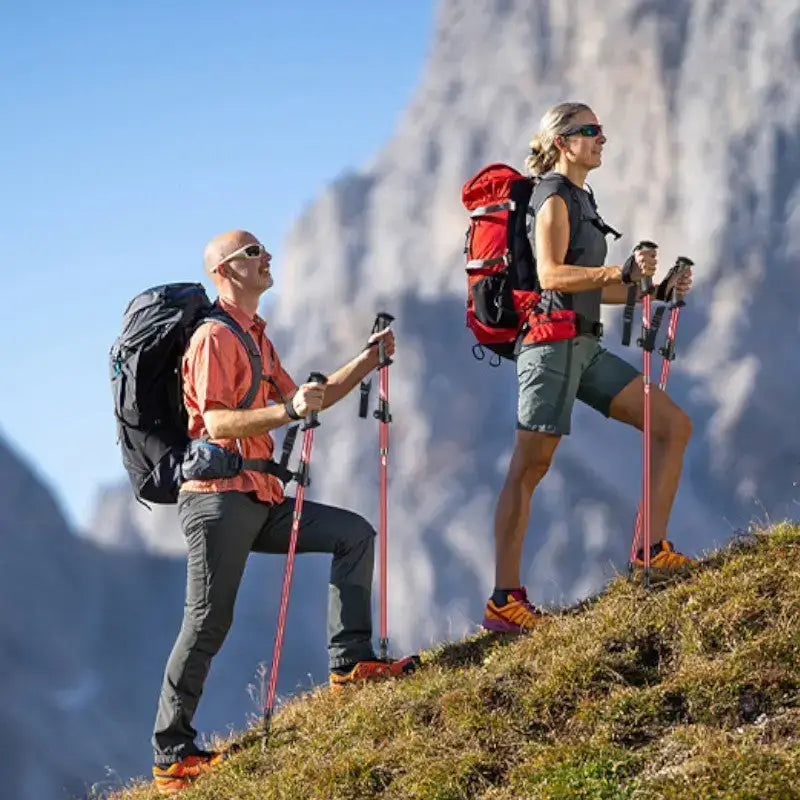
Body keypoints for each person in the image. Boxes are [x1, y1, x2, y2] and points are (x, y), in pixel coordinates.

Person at [151, 230, 417, 795]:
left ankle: (350, 664)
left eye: (265, 250)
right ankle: (172, 754)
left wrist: (368, 361)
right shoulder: (213, 338)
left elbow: (305, 400)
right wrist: (285, 408)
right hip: (216, 501)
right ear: (225, 270)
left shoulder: (255, 339)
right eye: (253, 253)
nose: (266, 257)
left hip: (259, 496)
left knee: (353, 534)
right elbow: (218, 423)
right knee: (206, 620)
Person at [482, 102, 695, 634]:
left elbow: (597, 286)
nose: (603, 137)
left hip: (584, 344)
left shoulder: (582, 198)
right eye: (590, 130)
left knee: (672, 425)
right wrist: (615, 269)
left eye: (601, 130)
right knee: (529, 469)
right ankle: (504, 600)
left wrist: (654, 287)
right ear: (562, 142)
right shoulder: (552, 195)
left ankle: (651, 549)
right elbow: (552, 275)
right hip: (549, 346)